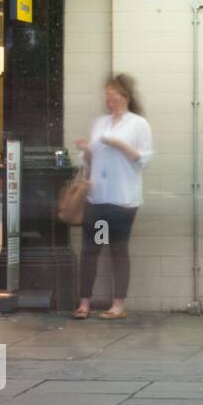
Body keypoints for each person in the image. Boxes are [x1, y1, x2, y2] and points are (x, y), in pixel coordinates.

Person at [72, 74, 154, 320]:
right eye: (107, 95)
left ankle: (118, 305)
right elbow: (89, 161)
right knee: (91, 249)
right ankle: (84, 303)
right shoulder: (101, 123)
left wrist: (118, 144)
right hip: (98, 199)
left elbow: (144, 160)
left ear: (125, 96)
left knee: (118, 250)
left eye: (113, 95)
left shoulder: (138, 124)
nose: (109, 99)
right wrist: (86, 151)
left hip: (123, 201)